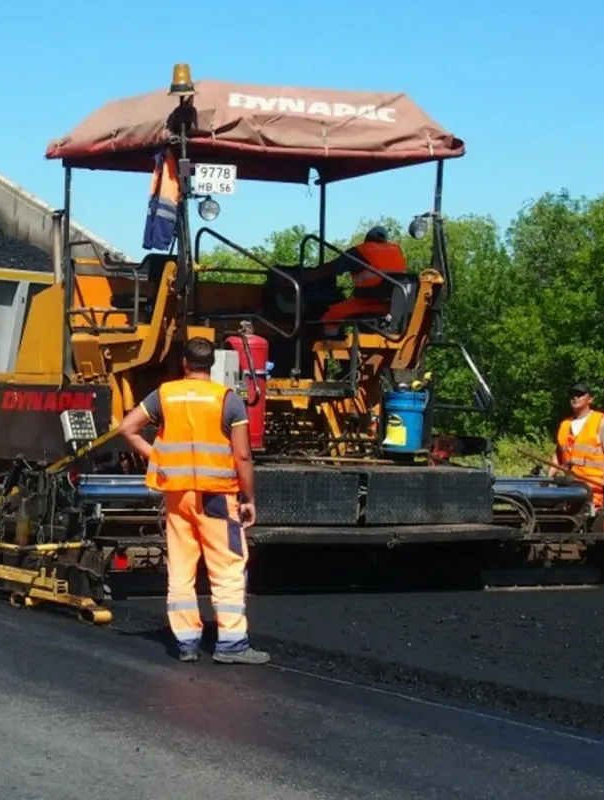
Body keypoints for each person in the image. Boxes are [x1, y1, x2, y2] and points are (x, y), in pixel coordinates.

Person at [116, 337, 268, 665]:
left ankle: (186, 642)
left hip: (177, 495)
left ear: (185, 364)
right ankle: (231, 644)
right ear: (211, 365)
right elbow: (242, 455)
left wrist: (157, 456)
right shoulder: (227, 400)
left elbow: (127, 428)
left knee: (182, 565)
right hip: (215, 496)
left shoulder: (165, 395)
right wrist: (249, 497)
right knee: (227, 566)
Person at [296, 226, 408, 325]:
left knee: (329, 315)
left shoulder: (362, 251)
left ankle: (328, 343)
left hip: (366, 303)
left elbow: (331, 269)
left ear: (367, 238)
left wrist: (303, 278)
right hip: (393, 306)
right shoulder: (396, 250)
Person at [549, 383, 604, 531]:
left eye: (580, 394)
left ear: (590, 399)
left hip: (594, 487)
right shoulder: (565, 424)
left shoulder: (601, 420)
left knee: (595, 530)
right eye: (572, 395)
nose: (575, 397)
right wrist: (547, 479)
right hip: (569, 487)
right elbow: (559, 454)